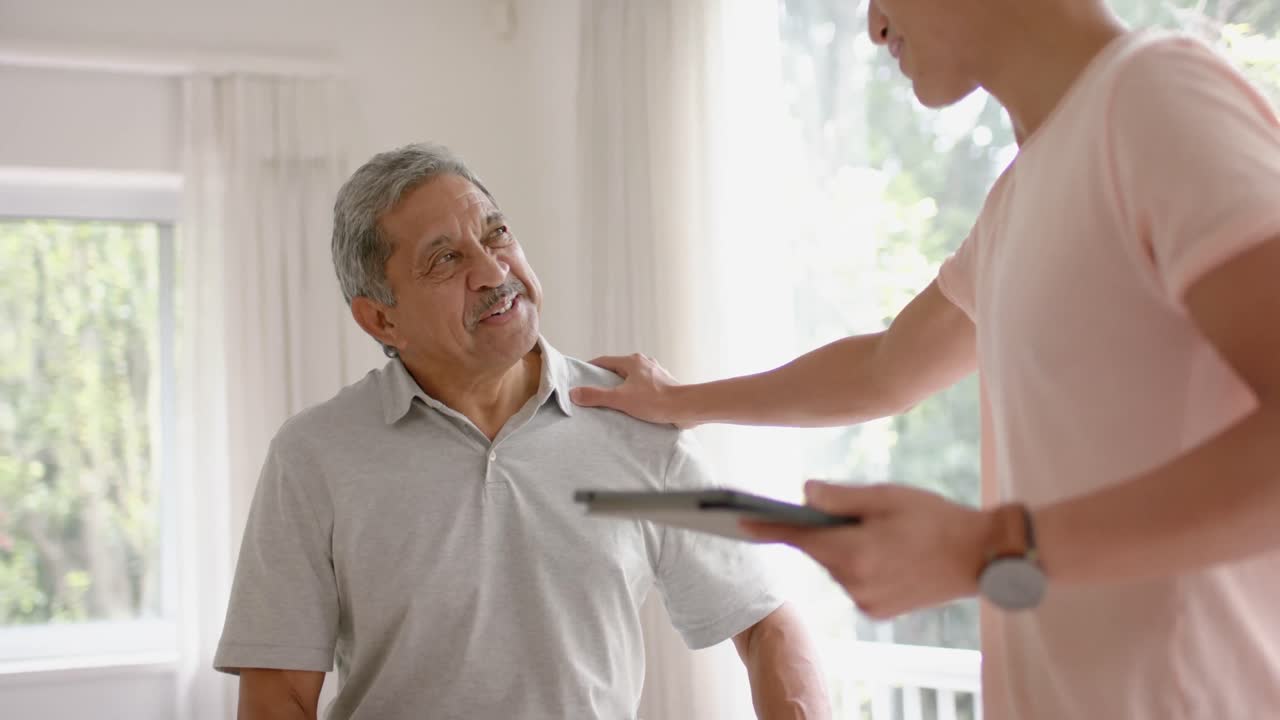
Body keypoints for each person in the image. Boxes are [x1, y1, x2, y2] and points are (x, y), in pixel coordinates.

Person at [569, 1, 1280, 718]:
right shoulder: (1018, 200)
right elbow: (883, 367)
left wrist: (986, 548)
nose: (874, 26)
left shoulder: (1155, 100)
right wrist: (679, 401)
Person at [213, 143, 831, 719]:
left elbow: (765, 624)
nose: (491, 271)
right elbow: (279, 695)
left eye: (496, 234)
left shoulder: (635, 423)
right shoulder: (315, 456)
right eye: (445, 259)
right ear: (381, 319)